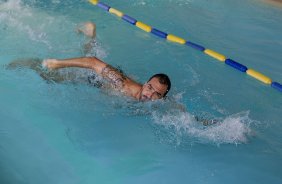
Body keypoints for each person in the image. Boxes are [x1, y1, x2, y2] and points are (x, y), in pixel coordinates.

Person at [42, 57, 171, 101]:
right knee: (49, 78)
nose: (150, 95)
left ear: (162, 98)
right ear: (145, 84)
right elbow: (92, 62)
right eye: (149, 88)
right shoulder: (123, 86)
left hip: (119, 77)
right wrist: (58, 64)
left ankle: (89, 35)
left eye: (157, 94)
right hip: (96, 80)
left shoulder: (159, 102)